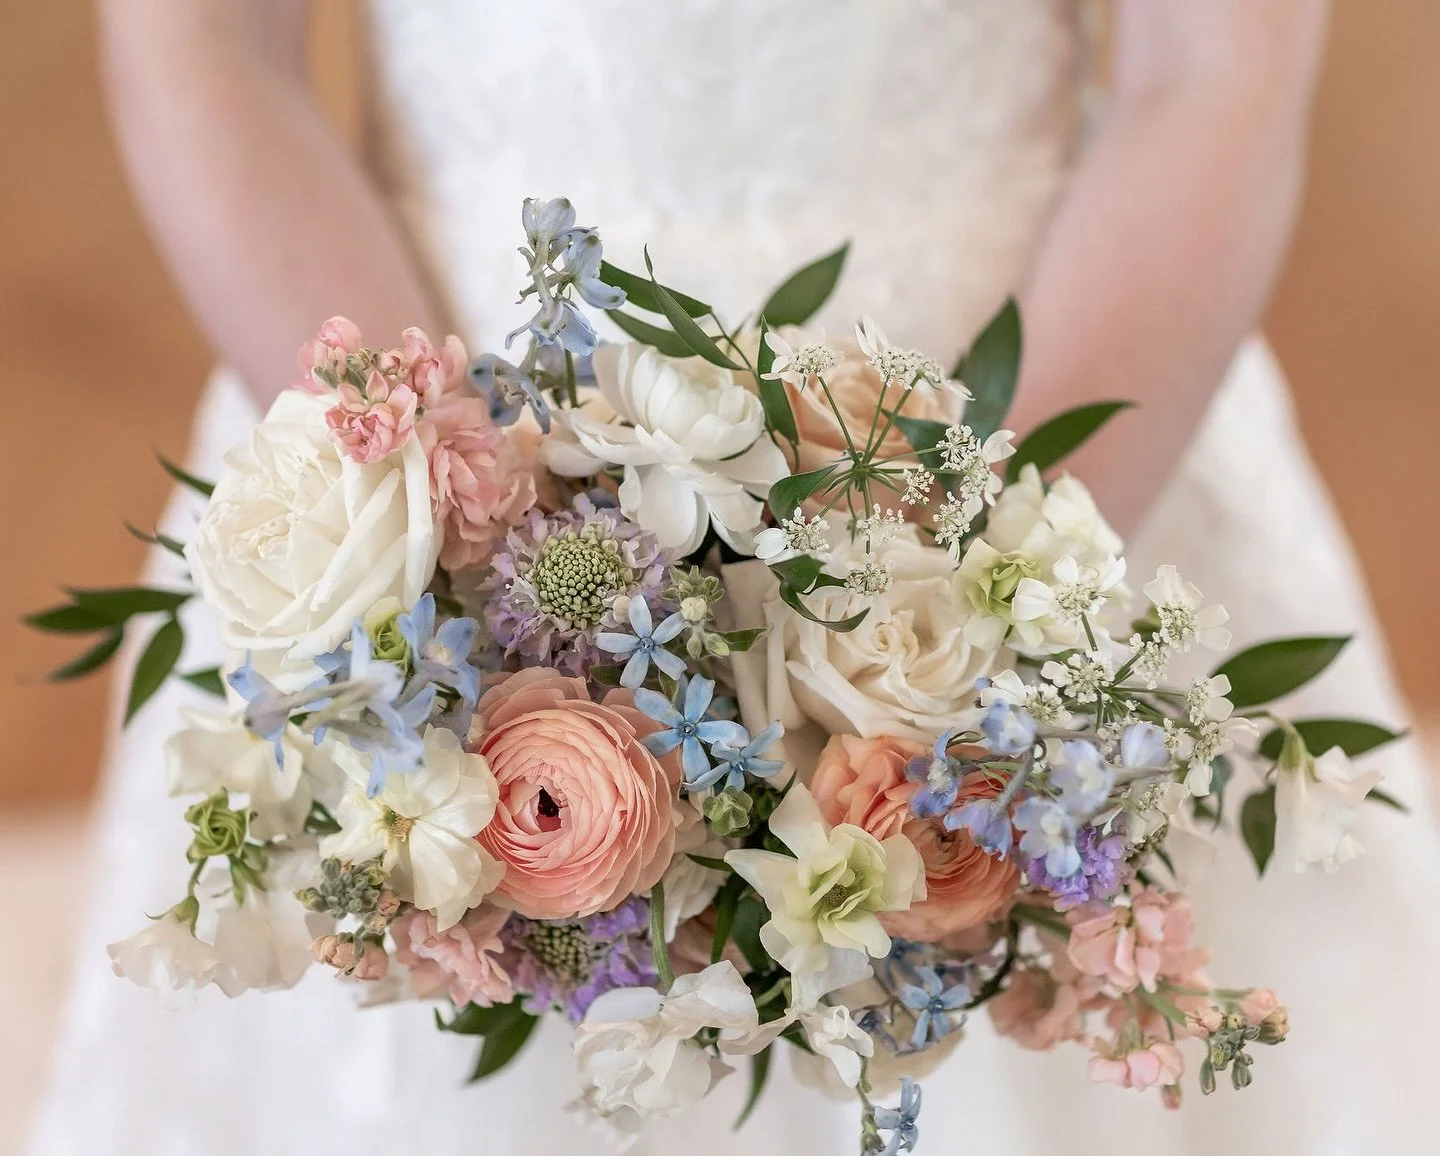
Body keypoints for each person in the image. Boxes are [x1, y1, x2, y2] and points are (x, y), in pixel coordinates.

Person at [29, 1, 1440, 1152]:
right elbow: (206, 47)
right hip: (437, 423)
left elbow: (1211, 69)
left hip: (1033, 423)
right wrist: (430, 534)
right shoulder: (429, 520)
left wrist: (975, 591)